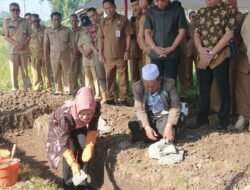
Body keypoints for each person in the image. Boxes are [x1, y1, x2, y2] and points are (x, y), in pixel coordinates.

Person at [189, 0, 237, 130]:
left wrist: (213, 52)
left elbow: (229, 34)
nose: (208, 1)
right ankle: (202, 119)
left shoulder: (228, 10)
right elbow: (196, 33)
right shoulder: (201, 12)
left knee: (223, 89)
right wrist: (200, 49)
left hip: (219, 55)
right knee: (203, 89)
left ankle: (224, 120)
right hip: (203, 56)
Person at [46, 87, 101, 190]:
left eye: (89, 114)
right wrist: (73, 164)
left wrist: (90, 146)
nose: (85, 117)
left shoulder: (96, 107)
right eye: (83, 114)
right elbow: (64, 144)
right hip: (63, 127)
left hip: (79, 125)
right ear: (77, 109)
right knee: (71, 149)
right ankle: (68, 184)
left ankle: (81, 181)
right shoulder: (65, 115)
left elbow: (93, 127)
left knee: (84, 148)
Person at [129, 64, 181, 143]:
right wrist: (146, 127)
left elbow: (175, 106)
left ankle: (163, 134)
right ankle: (154, 135)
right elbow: (139, 109)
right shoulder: (138, 87)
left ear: (159, 81)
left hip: (164, 115)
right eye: (147, 86)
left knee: (165, 128)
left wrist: (169, 126)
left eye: (153, 86)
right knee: (134, 124)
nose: (150, 89)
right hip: (149, 115)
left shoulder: (169, 84)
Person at [97, 0, 133, 106]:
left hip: (121, 55)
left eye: (110, 7)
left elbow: (128, 36)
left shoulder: (123, 19)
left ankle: (123, 99)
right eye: (106, 8)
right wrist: (100, 54)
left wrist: (127, 51)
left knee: (123, 78)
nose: (109, 10)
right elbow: (100, 39)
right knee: (109, 78)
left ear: (115, 7)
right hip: (107, 57)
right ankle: (111, 98)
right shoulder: (103, 22)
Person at [144, 0, 187, 79]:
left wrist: (172, 47)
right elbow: (147, 32)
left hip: (172, 53)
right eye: (157, 0)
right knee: (156, 80)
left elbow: (182, 31)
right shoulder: (150, 11)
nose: (160, 3)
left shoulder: (178, 10)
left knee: (171, 81)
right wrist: (155, 48)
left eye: (163, 1)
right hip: (156, 53)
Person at [224, 0, 250, 130]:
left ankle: (244, 116)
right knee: (239, 89)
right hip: (235, 60)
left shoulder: (244, 18)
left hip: (244, 59)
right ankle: (240, 115)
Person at [3, 2, 32, 91]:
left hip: (24, 49)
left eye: (17, 10)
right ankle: (15, 88)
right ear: (10, 11)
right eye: (13, 10)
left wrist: (23, 44)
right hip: (13, 50)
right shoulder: (7, 21)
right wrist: (16, 44)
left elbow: (29, 35)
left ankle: (27, 88)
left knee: (25, 70)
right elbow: (6, 36)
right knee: (13, 71)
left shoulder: (25, 21)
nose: (15, 11)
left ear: (20, 11)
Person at [44, 12, 74, 95]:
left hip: (66, 55)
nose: (56, 21)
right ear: (51, 20)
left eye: (58, 19)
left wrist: (74, 52)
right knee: (55, 72)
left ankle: (68, 89)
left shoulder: (67, 30)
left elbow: (72, 42)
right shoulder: (48, 31)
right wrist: (45, 56)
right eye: (54, 20)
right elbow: (45, 44)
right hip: (53, 55)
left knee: (67, 72)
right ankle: (58, 89)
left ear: (61, 20)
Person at [86, 8, 108, 103]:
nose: (92, 18)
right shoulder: (90, 28)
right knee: (100, 75)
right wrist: (95, 51)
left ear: (97, 14)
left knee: (110, 75)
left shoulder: (106, 23)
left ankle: (113, 95)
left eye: (93, 15)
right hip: (97, 54)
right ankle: (105, 96)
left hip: (108, 53)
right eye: (90, 17)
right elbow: (90, 42)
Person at [78, 16, 101, 100]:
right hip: (85, 59)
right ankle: (88, 94)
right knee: (87, 78)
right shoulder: (82, 34)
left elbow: (95, 44)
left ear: (90, 23)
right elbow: (79, 45)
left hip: (93, 58)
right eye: (85, 25)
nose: (87, 27)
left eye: (88, 25)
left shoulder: (95, 32)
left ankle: (98, 95)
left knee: (96, 77)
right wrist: (84, 52)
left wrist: (89, 51)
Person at [29, 14, 52, 91]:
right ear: (31, 21)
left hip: (44, 54)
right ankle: (37, 88)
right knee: (36, 73)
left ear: (40, 20)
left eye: (37, 21)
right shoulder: (28, 31)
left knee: (47, 73)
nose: (36, 23)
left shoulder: (45, 30)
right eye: (34, 21)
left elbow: (49, 42)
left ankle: (49, 88)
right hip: (34, 54)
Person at [178, 11, 197, 99]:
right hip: (187, 50)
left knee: (197, 69)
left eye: (195, 16)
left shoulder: (197, 26)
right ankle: (188, 85)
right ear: (189, 17)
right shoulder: (186, 23)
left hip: (195, 51)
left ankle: (187, 90)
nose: (194, 18)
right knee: (187, 70)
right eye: (192, 16)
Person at [70, 14, 85, 94]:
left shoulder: (82, 30)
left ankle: (84, 90)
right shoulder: (68, 31)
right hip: (72, 55)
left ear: (78, 21)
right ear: (70, 22)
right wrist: (71, 52)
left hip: (82, 54)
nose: (74, 22)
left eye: (76, 20)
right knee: (73, 73)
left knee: (83, 72)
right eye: (72, 21)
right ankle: (74, 90)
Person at [129, 0, 143, 83]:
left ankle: (144, 91)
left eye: (136, 5)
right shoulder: (132, 20)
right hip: (133, 50)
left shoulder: (145, 17)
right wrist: (131, 23)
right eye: (132, 6)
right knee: (134, 73)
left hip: (144, 51)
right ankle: (135, 93)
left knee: (144, 72)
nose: (135, 8)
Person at [137, 0, 152, 65]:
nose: (143, 11)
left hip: (163, 50)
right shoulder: (143, 17)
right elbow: (140, 36)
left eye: (145, 8)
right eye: (141, 9)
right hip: (149, 50)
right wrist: (145, 48)